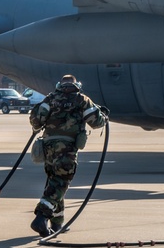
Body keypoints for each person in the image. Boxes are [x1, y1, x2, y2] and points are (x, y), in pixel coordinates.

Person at [28, 74, 107, 236]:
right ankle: (41, 217)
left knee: (54, 181)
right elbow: (96, 122)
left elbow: (36, 121)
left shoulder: (50, 99)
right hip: (67, 147)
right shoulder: (82, 99)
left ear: (59, 84)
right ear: (76, 84)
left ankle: (57, 223)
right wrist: (104, 116)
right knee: (61, 181)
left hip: (48, 146)